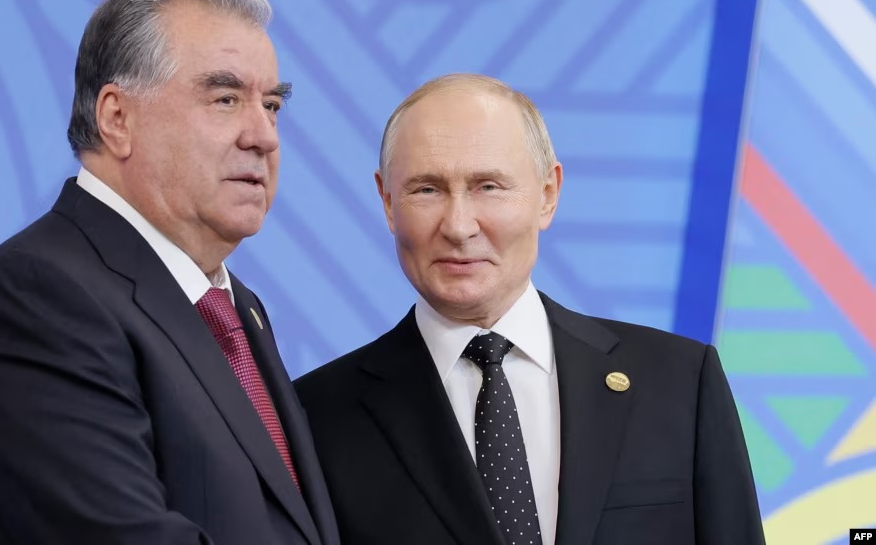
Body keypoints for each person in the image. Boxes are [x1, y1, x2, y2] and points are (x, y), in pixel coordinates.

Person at [0, 0, 339, 545]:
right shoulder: (37, 297)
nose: (264, 136)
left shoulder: (234, 306)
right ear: (117, 118)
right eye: (225, 99)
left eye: (271, 104)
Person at [294, 73, 764, 545]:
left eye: (488, 186)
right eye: (427, 190)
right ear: (387, 202)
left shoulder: (680, 381)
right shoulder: (313, 417)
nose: (458, 226)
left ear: (548, 194)